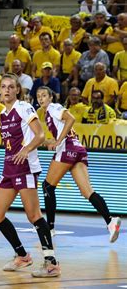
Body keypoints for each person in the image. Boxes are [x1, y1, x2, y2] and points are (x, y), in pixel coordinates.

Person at [0, 74, 60, 278]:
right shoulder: (3, 113)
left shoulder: (24, 108)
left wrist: (26, 149)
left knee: (34, 215)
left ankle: (51, 262)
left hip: (25, 166)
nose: (6, 90)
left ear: (17, 90)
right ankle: (22, 256)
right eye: (3, 86)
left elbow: (40, 135)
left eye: (11, 87)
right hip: (9, 168)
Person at [36, 86, 121, 241]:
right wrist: (48, 141)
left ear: (50, 98)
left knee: (47, 186)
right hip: (78, 148)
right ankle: (110, 221)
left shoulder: (54, 108)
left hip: (67, 148)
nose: (41, 98)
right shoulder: (48, 113)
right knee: (87, 192)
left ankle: (50, 227)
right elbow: (62, 130)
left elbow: (71, 119)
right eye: (38, 96)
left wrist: (58, 140)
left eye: (44, 95)